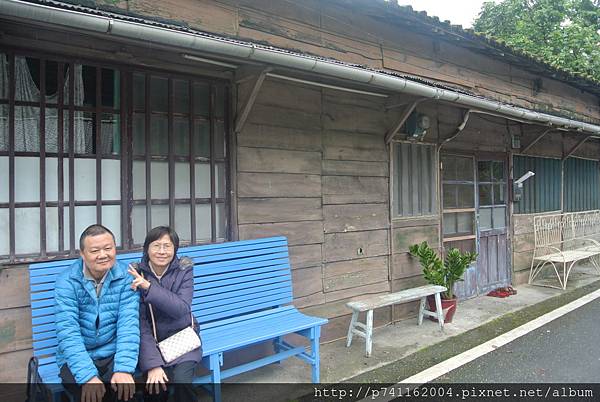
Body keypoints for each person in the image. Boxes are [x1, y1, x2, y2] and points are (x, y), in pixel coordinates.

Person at [54, 224, 140, 402]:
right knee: (89, 395)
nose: (103, 255)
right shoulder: (67, 282)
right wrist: (87, 376)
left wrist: (123, 368)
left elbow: (128, 324)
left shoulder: (126, 276)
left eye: (108, 248)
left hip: (112, 351)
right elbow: (68, 333)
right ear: (82, 254)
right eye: (95, 250)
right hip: (78, 354)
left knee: (123, 393)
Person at [128, 226, 201, 402]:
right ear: (147, 249)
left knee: (182, 385)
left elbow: (181, 309)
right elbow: (141, 325)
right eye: (156, 246)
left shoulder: (184, 270)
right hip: (152, 344)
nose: (162, 251)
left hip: (183, 340)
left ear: (175, 249)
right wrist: (153, 364)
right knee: (155, 388)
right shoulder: (136, 274)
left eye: (167, 246)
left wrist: (149, 287)